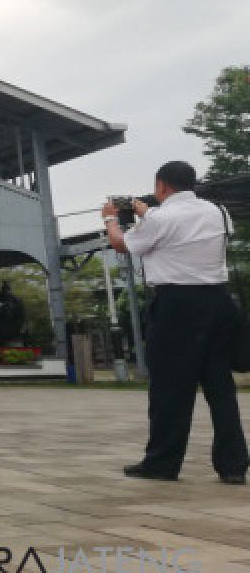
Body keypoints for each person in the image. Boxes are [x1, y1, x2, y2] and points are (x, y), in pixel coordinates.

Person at [102, 160, 248, 484]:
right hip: (218, 302)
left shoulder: (161, 218)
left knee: (170, 388)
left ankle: (162, 464)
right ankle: (233, 465)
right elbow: (180, 230)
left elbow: (121, 244)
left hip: (178, 306)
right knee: (220, 387)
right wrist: (145, 211)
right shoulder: (216, 211)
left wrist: (111, 218)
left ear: (161, 186)